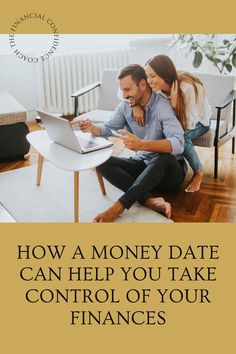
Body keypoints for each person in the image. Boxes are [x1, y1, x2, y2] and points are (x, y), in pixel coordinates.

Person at [72, 64, 186, 222]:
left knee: (162, 158)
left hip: (169, 173)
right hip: (142, 164)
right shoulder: (126, 106)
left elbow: (179, 144)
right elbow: (107, 128)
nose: (124, 95)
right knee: (100, 160)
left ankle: (118, 207)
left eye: (127, 89)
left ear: (143, 84)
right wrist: (92, 128)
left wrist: (142, 145)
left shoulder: (162, 107)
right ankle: (148, 200)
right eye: (122, 90)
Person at [133, 54, 212, 192]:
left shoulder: (187, 87)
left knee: (182, 136)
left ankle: (198, 171)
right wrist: (135, 106)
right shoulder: (155, 86)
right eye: (147, 76)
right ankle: (151, 164)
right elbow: (124, 91)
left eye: (153, 76)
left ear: (164, 74)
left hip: (199, 122)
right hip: (179, 123)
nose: (149, 80)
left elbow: (186, 125)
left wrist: (175, 106)